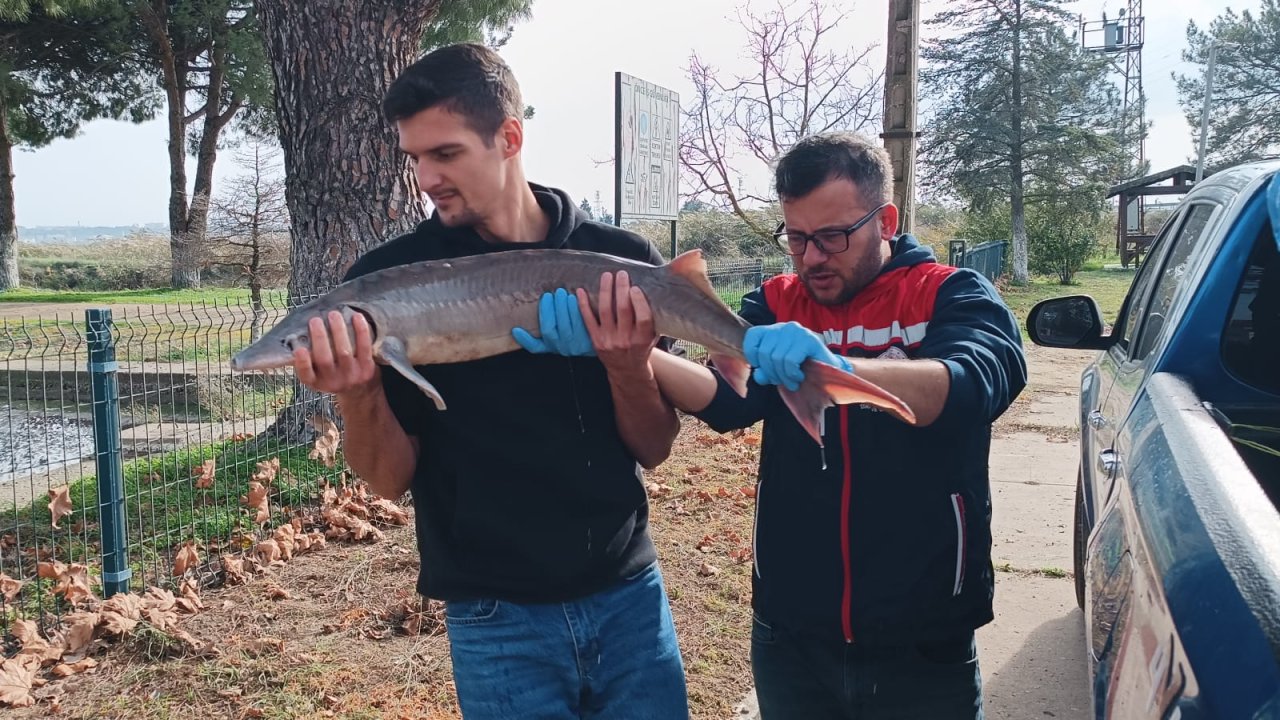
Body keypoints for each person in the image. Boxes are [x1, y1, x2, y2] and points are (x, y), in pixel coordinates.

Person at [286, 43, 690, 719]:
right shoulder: (390, 280)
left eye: (444, 155)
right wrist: (356, 392)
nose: (425, 178)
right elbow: (387, 480)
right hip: (493, 615)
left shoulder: (621, 264)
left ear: (509, 137)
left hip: (628, 596)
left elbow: (653, 448)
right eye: (414, 158)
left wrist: (625, 365)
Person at [642, 131, 1028, 718]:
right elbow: (728, 400)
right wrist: (630, 353)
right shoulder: (774, 303)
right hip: (792, 631)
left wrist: (837, 368)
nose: (812, 258)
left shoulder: (949, 294)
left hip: (923, 635)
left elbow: (977, 381)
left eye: (832, 237)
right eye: (797, 239)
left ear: (887, 220)